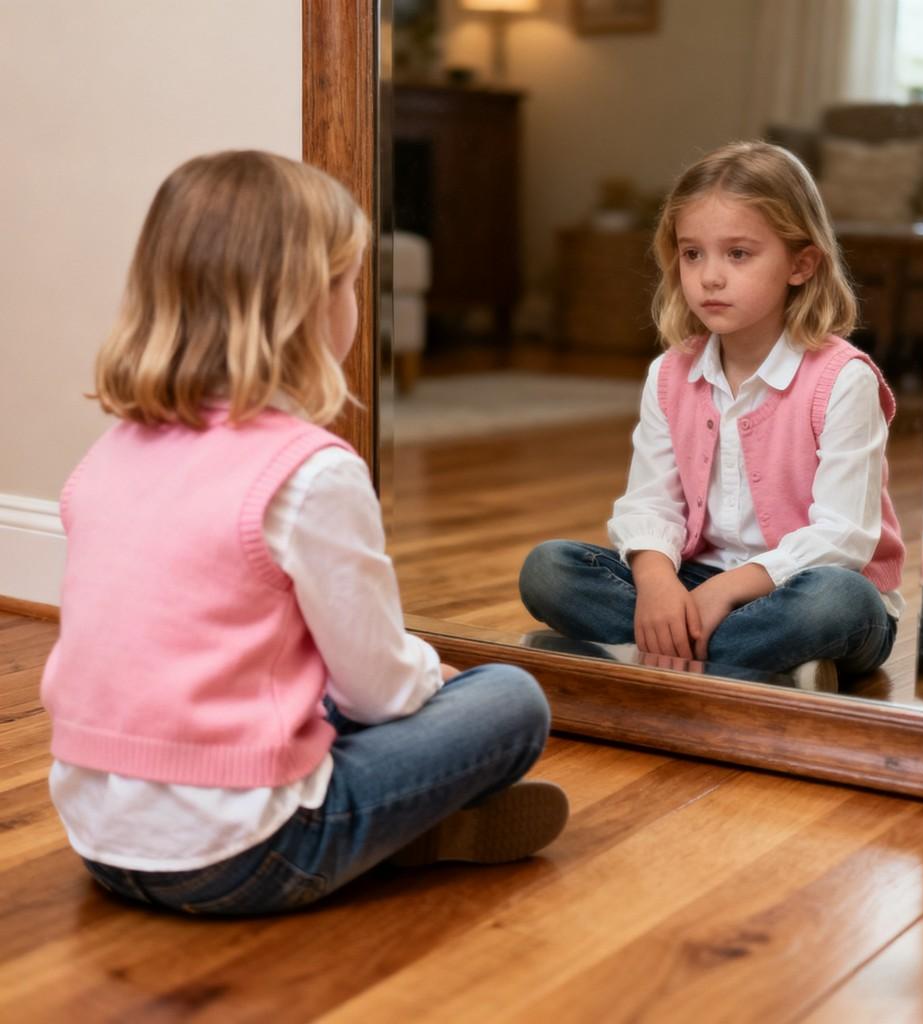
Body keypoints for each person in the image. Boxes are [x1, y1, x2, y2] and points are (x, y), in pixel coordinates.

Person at [41, 150, 568, 916]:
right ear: (310, 305)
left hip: (99, 839)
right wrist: (433, 678)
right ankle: (380, 840)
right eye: (351, 282)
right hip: (245, 855)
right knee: (510, 698)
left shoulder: (107, 455)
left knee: (311, 681)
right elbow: (381, 689)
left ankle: (381, 832)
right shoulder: (309, 471)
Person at [520, 141, 905, 691]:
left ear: (801, 263)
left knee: (835, 604)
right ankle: (755, 664)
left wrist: (724, 593)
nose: (710, 277)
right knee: (548, 569)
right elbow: (650, 500)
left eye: (738, 254)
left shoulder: (842, 379)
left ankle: (632, 654)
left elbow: (844, 537)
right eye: (692, 253)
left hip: (808, 585)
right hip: (695, 579)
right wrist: (656, 584)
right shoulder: (671, 374)